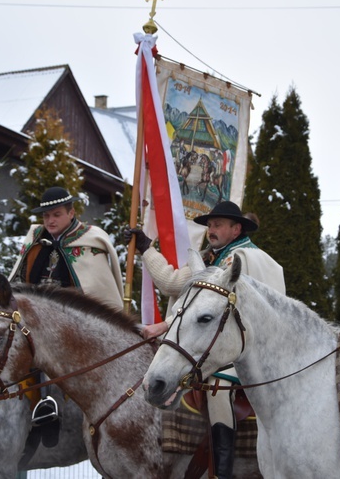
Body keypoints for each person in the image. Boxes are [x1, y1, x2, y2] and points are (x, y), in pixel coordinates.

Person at [125, 201, 285, 479]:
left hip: (244, 349)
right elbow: (173, 283)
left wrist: (163, 325)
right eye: (210, 225)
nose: (211, 230)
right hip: (212, 344)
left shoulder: (245, 259)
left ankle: (222, 470)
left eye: (218, 225)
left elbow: (230, 315)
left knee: (217, 386)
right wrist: (147, 249)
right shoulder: (210, 258)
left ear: (236, 229)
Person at [10, 186, 124, 426]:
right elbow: (19, 278)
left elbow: (98, 290)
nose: (50, 220)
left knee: (52, 345)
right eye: (46, 216)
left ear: (71, 213)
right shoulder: (35, 239)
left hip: (73, 319)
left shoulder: (91, 241)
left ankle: (53, 405)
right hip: (33, 316)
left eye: (56, 214)